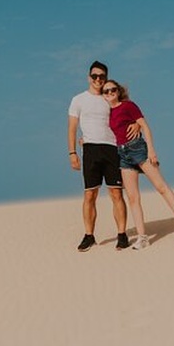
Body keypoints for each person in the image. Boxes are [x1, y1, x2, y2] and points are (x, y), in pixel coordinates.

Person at [100, 79, 174, 249]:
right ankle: (142, 237)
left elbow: (145, 126)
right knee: (132, 197)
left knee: (161, 187)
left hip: (138, 148)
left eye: (112, 89)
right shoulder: (108, 113)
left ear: (118, 90)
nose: (109, 93)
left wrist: (151, 150)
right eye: (106, 91)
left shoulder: (128, 105)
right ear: (103, 95)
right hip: (122, 154)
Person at [68, 61, 139, 252]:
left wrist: (137, 125)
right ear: (88, 77)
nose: (98, 79)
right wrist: (72, 152)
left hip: (112, 149)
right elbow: (72, 128)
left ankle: (122, 235)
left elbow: (129, 113)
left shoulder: (110, 97)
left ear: (106, 78)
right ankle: (89, 235)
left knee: (116, 193)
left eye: (101, 76)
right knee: (90, 193)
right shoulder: (78, 99)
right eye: (94, 76)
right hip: (90, 150)